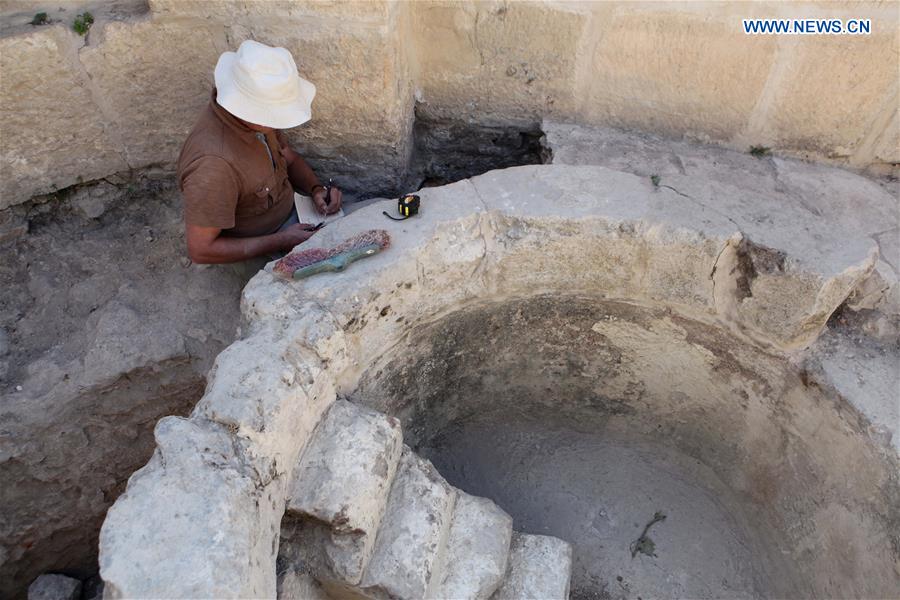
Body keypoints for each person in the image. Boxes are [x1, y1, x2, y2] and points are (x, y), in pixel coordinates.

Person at [177, 40, 342, 264]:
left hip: (296, 217)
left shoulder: (252, 122)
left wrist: (316, 189)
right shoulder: (213, 167)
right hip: (260, 245)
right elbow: (201, 250)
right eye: (276, 114)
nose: (279, 122)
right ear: (251, 111)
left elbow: (288, 157)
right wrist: (281, 240)